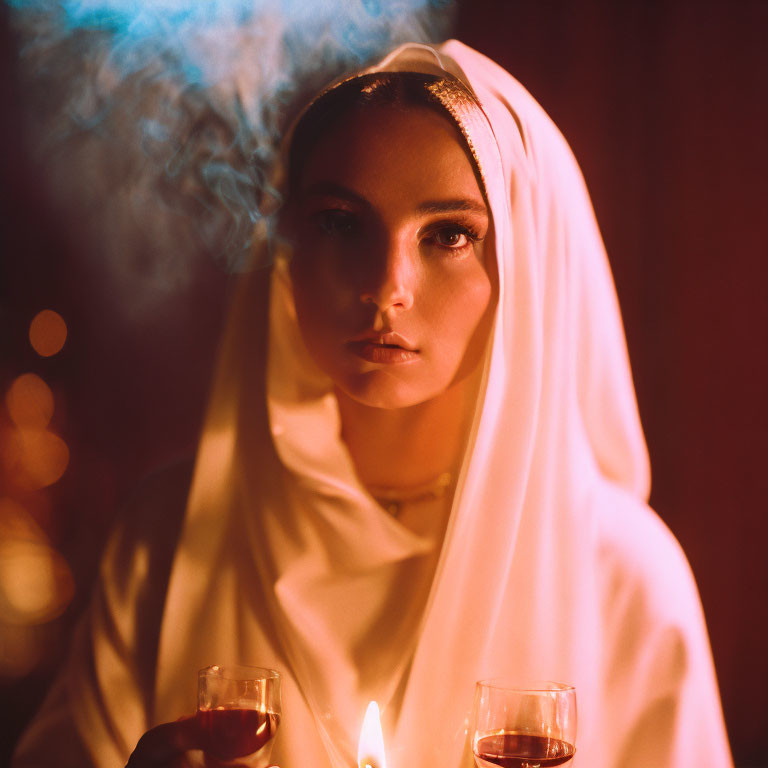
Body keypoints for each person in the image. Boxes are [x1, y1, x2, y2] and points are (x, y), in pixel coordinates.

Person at [12, 40, 732, 768]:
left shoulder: (622, 579)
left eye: (449, 233)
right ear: (285, 249)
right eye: (340, 221)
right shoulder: (168, 540)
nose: (388, 286)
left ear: (525, 266)